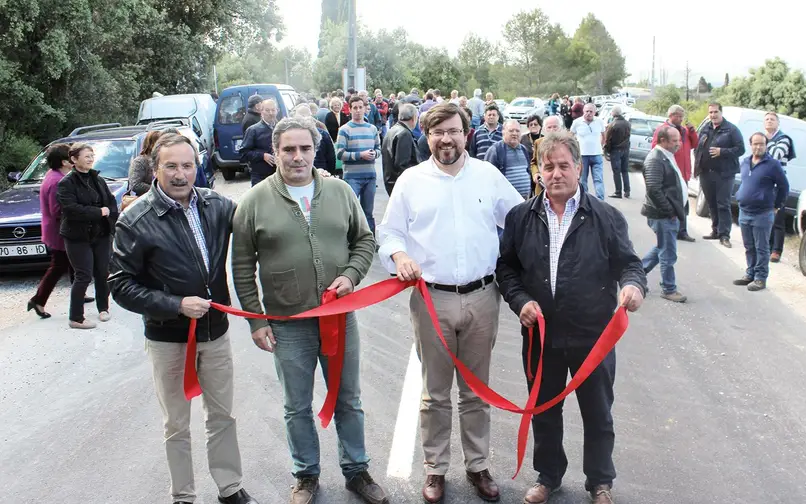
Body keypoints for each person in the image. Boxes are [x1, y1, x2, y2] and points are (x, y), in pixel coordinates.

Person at [231, 116, 385, 504]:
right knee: (296, 405)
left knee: (348, 398)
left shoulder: (340, 191)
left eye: (304, 149)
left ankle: (357, 471)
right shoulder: (253, 201)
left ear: (316, 150)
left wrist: (351, 277)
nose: (297, 157)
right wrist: (256, 320)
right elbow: (242, 266)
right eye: (288, 149)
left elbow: (365, 241)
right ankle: (306, 476)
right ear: (275, 152)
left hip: (339, 318)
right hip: (288, 325)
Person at [377, 102, 523, 504]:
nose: (447, 139)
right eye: (438, 132)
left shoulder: (488, 177)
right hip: (432, 300)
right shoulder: (411, 181)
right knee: (434, 394)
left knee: (476, 391)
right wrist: (399, 256)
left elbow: (520, 221)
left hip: (482, 298)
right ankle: (435, 469)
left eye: (454, 131)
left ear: (466, 132)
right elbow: (388, 234)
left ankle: (478, 466)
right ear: (427, 135)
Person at [496, 132, 646, 504]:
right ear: (538, 172)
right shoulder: (520, 217)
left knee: (598, 413)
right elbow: (506, 269)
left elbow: (629, 264)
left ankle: (600, 482)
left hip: (592, 337)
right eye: (549, 166)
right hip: (541, 337)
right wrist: (520, 301)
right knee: (545, 411)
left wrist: (633, 287)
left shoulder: (606, 217)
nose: (557, 173)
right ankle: (548, 477)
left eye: (564, 165)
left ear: (579, 168)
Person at [108, 133, 259, 504]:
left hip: (216, 334)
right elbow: (119, 285)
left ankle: (230, 488)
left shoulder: (216, 205)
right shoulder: (135, 219)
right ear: (155, 168)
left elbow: (259, 217)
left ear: (198, 166)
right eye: (171, 166)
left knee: (222, 415)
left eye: (187, 165)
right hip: (167, 338)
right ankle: (183, 496)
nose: (180, 174)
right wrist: (175, 304)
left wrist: (313, 178)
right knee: (176, 424)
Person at [56, 143, 117, 329]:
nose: (90, 159)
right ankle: (76, 317)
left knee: (102, 272)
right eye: (86, 156)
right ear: (74, 160)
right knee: (83, 275)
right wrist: (99, 212)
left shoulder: (98, 179)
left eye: (92, 155)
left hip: (101, 234)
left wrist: (110, 218)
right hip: (77, 236)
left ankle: (103, 308)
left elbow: (111, 203)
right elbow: (71, 210)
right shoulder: (66, 183)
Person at [27, 143, 93, 319]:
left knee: (73, 262)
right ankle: (38, 300)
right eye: (72, 157)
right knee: (58, 266)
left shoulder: (54, 174)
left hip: (57, 230)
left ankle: (80, 292)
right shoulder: (57, 181)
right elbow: (58, 211)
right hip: (59, 232)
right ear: (65, 161)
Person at [733, 132, 790, 291]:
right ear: (750, 145)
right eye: (755, 144)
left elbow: (784, 187)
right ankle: (750, 273)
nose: (758, 147)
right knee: (749, 246)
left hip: (763, 213)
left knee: (762, 247)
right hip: (744, 211)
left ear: (766, 146)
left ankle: (760, 278)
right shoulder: (745, 162)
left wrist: (776, 205)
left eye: (762, 144)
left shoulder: (773, 165)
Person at [640, 126, 688, 303]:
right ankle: (668, 288)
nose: (678, 144)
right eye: (674, 141)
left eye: (678, 140)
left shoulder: (665, 155)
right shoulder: (655, 159)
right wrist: (670, 211)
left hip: (667, 214)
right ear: (663, 141)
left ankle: (638, 272)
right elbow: (654, 189)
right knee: (668, 252)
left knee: (662, 247)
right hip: (662, 215)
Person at [694, 102, 745, 248]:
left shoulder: (732, 130)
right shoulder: (706, 128)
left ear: (721, 113)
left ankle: (724, 235)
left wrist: (722, 152)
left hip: (724, 174)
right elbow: (698, 147)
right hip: (706, 173)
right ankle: (715, 230)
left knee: (723, 204)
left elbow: (740, 149)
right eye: (710, 112)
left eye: (715, 112)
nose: (713, 115)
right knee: (711, 203)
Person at [652, 105, 699, 242]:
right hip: (671, 173)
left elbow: (695, 144)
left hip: (683, 173)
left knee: (684, 203)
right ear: (671, 115)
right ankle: (673, 229)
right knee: (674, 203)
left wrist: (692, 131)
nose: (680, 118)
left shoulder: (684, 130)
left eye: (682, 116)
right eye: (678, 115)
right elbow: (655, 148)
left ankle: (682, 231)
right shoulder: (663, 130)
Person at [336, 95, 381, 233]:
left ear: (365, 109)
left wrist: (375, 154)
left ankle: (370, 240)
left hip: (370, 176)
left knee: (368, 212)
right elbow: (339, 153)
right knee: (351, 211)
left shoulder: (372, 129)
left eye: (360, 107)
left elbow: (379, 149)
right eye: (354, 108)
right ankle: (351, 240)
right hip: (352, 177)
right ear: (349, 110)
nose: (358, 110)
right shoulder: (344, 129)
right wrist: (360, 155)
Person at [763, 112, 796, 262]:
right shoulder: (763, 138)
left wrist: (766, 143)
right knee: (765, 217)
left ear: (778, 123)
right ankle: (767, 247)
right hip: (765, 183)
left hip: (778, 184)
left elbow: (775, 155)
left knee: (777, 218)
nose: (769, 122)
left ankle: (776, 250)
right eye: (767, 119)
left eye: (772, 119)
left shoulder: (783, 139)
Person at [484, 120, 533, 199]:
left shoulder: (524, 149)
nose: (514, 133)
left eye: (517, 131)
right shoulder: (495, 150)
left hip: (524, 202)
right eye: (511, 130)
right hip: (504, 202)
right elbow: (487, 178)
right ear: (503, 132)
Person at [240, 98, 279, 186]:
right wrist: (262, 155)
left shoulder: (281, 128)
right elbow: (243, 153)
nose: (270, 113)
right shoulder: (253, 130)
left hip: (279, 176)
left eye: (273, 110)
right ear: (261, 111)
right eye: (267, 110)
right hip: (260, 177)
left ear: (277, 111)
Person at [570, 103, 606, 199]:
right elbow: (570, 136)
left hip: (596, 155)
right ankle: (584, 200)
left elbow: (604, 136)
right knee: (582, 180)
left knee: (598, 179)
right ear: (583, 111)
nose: (589, 113)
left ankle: (600, 201)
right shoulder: (577, 122)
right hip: (582, 156)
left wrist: (601, 146)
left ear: (594, 112)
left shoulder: (599, 122)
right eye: (587, 111)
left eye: (591, 111)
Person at [382, 103, 419, 195]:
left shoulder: (392, 130)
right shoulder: (404, 134)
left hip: (392, 182)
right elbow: (402, 164)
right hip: (400, 185)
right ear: (414, 118)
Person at [529, 115, 563, 197]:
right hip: (542, 186)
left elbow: (577, 163)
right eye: (549, 127)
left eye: (555, 127)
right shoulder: (538, 142)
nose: (552, 130)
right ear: (544, 129)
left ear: (560, 128)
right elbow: (534, 162)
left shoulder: (568, 143)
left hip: (562, 184)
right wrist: (535, 173)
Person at [604, 106, 631, 199]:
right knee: (625, 170)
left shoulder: (613, 124)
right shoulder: (628, 123)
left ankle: (618, 192)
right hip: (626, 149)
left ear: (613, 113)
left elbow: (608, 139)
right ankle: (627, 191)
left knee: (616, 172)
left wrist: (607, 149)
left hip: (616, 150)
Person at [128, 130, 163, 196]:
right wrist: (158, 190)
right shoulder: (139, 162)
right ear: (152, 144)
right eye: (161, 143)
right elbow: (136, 185)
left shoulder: (165, 160)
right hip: (146, 200)